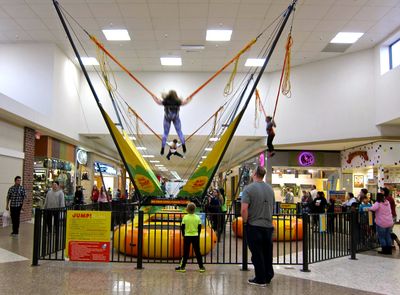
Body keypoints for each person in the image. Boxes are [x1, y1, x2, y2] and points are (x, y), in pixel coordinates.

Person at [241, 166, 275, 287]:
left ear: (254, 173)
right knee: (267, 252)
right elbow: (272, 208)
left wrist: (245, 222)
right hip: (268, 226)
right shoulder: (270, 189)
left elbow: (244, 209)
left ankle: (260, 279)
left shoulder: (248, 189)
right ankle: (268, 275)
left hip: (254, 226)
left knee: (257, 253)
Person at [152, 90, 192, 155]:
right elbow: (185, 102)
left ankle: (162, 148)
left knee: (165, 133)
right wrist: (190, 98)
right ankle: (183, 145)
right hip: (175, 118)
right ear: (176, 96)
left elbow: (158, 102)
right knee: (179, 132)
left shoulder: (165, 102)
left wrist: (153, 97)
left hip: (167, 118)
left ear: (168, 95)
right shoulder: (178, 102)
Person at [175, 202, 205, 273]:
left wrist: (183, 235)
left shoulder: (185, 217)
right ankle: (201, 267)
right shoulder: (197, 217)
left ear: (187, 209)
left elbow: (182, 227)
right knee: (197, 252)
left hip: (187, 236)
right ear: (194, 209)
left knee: (186, 252)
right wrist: (197, 235)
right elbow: (199, 228)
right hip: (195, 236)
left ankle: (182, 267)